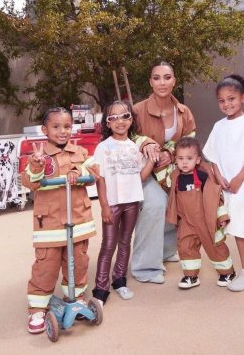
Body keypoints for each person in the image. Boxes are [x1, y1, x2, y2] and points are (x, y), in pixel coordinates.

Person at [22, 107, 98, 334]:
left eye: (67, 126)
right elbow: (30, 181)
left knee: (78, 262)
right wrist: (36, 165)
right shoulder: (39, 155)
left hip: (78, 220)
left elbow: (94, 172)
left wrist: (78, 170)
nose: (62, 131)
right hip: (50, 224)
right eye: (56, 127)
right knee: (47, 265)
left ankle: (75, 296)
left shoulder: (81, 152)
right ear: (45, 130)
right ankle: (38, 307)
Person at [203, 75, 244, 292]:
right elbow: (212, 155)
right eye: (221, 101)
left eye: (231, 99)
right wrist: (218, 175)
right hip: (226, 185)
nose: (226, 104)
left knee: (242, 229)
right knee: (242, 226)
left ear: (243, 98)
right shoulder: (218, 126)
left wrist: (239, 178)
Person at [131, 61, 196, 284]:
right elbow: (126, 136)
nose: (162, 82)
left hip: (173, 170)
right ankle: (144, 267)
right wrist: (144, 142)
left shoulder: (183, 111)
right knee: (156, 205)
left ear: (174, 81)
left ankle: (166, 251)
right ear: (150, 82)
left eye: (167, 77)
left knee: (173, 204)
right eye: (156, 77)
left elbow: (190, 139)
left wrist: (171, 150)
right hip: (144, 172)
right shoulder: (137, 110)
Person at [92, 101, 154, 305]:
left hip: (131, 203)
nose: (120, 121)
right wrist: (104, 206)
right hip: (112, 204)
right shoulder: (103, 147)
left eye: (124, 116)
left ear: (131, 120)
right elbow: (99, 179)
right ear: (107, 123)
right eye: (113, 118)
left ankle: (119, 280)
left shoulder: (134, 147)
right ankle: (100, 289)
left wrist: (152, 160)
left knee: (125, 242)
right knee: (108, 245)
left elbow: (141, 177)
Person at [166, 137, 235, 289]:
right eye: (181, 158)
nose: (184, 162)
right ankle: (191, 276)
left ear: (197, 160)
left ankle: (227, 272)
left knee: (214, 246)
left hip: (206, 221)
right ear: (175, 159)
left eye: (189, 158)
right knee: (185, 247)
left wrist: (221, 216)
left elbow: (215, 198)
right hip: (187, 221)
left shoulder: (204, 177)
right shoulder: (175, 177)